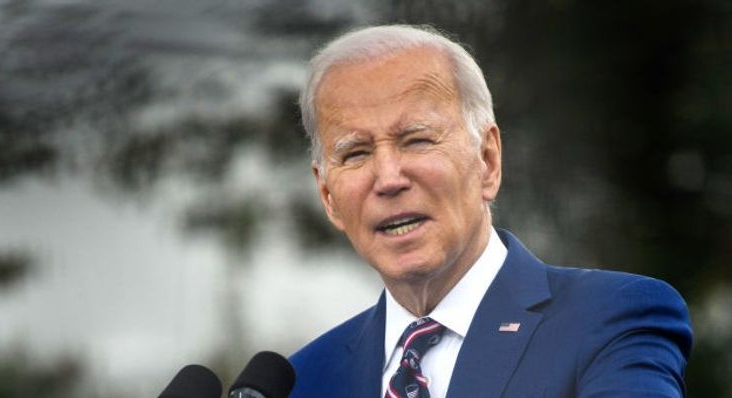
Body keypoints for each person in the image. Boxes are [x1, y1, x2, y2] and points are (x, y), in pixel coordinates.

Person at [288, 24, 692, 398]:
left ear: (488, 160)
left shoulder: (609, 319)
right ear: (327, 195)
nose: (389, 178)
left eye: (417, 141)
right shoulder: (303, 380)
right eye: (356, 153)